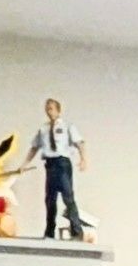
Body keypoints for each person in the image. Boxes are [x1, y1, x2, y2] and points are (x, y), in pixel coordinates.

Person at [33, 99, 94, 242]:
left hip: (62, 164)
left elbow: (79, 143)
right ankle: (49, 232)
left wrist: (83, 159)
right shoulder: (43, 129)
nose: (49, 111)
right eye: (47, 109)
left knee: (68, 197)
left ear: (58, 110)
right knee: (50, 199)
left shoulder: (67, 126)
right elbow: (34, 147)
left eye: (52, 108)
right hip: (50, 164)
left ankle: (77, 231)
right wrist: (24, 164)